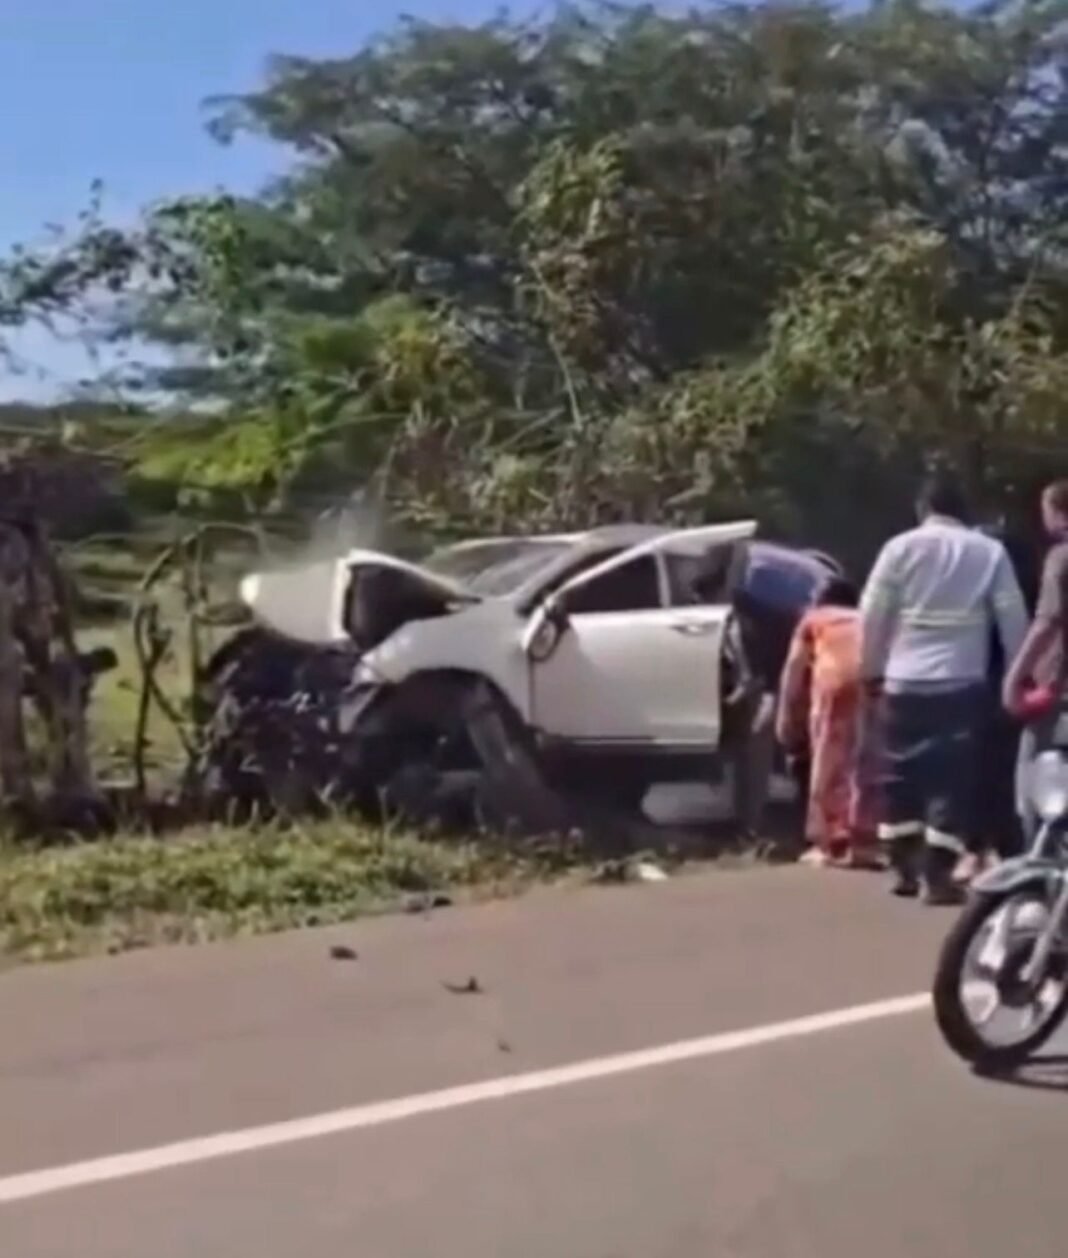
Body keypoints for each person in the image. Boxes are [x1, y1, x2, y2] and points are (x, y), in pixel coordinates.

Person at [859, 472, 1029, 904]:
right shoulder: (988, 552)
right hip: (960, 684)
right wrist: (1017, 676)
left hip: (902, 680)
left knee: (900, 773)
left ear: (923, 510)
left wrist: (870, 670)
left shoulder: (897, 549)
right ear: (963, 510)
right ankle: (937, 875)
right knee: (949, 781)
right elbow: (1013, 620)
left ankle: (902, 866)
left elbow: (873, 615)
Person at [775, 577, 881, 868]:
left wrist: (785, 718)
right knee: (865, 762)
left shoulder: (814, 619)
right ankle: (864, 842)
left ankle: (825, 843)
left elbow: (793, 672)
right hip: (873, 680)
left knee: (828, 760)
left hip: (835, 681)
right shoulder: (864, 617)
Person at [1002, 480, 1068, 841]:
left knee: (1034, 781)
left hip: (1057, 691)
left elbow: (1048, 621)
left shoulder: (1061, 558)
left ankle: (1040, 862)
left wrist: (1015, 676)